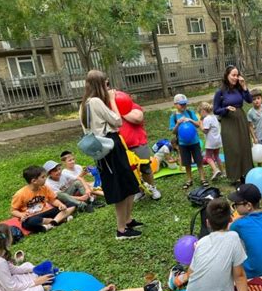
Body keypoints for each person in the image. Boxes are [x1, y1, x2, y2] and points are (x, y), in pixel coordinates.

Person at [168, 199, 262, 291]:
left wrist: (183, 278)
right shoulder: (234, 238)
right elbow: (239, 277)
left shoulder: (201, 243)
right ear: (230, 219)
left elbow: (192, 272)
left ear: (207, 223)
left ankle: (178, 279)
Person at [80, 70, 141, 240]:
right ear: (100, 85)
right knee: (119, 188)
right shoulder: (95, 102)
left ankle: (128, 221)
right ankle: (121, 230)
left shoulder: (84, 103)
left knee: (128, 182)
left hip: (108, 147)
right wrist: (113, 100)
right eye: (106, 84)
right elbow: (117, 121)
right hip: (109, 148)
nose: (109, 88)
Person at [0, 223, 54, 291]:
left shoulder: (1, 256)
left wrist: (35, 269)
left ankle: (36, 282)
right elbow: (12, 289)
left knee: (27, 265)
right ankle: (39, 289)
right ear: (7, 240)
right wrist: (36, 282)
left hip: (3, 285)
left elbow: (14, 269)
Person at [213, 66, 254, 185]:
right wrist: (226, 109)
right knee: (233, 149)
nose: (235, 78)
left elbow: (249, 100)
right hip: (228, 121)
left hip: (240, 118)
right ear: (227, 76)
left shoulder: (239, 88)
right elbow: (216, 110)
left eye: (237, 75)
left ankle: (245, 173)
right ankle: (235, 176)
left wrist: (244, 86)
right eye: (233, 75)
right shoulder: (220, 92)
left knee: (244, 146)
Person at [11, 166, 76, 233]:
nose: (45, 178)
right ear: (34, 181)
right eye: (43, 177)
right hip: (33, 216)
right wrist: (21, 215)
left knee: (71, 204)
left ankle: (52, 223)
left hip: (46, 212)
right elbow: (13, 211)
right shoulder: (20, 194)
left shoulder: (45, 188)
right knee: (29, 222)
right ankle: (60, 219)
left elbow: (52, 200)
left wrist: (60, 205)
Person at [119, 100, 161, 200]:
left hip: (138, 144)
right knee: (130, 171)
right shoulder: (111, 109)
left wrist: (121, 111)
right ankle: (139, 191)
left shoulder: (133, 107)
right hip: (122, 147)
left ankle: (152, 188)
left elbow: (138, 118)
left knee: (145, 168)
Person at [169, 94, 208, 189]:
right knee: (187, 163)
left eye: (185, 104)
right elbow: (173, 131)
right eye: (181, 104)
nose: (183, 106)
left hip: (195, 142)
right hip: (183, 144)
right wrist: (178, 123)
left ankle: (203, 178)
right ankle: (189, 179)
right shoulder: (173, 117)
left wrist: (190, 120)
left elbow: (198, 125)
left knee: (199, 161)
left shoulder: (190, 113)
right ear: (175, 104)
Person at [198, 102, 225, 180]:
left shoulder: (207, 119)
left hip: (211, 141)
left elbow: (205, 131)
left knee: (208, 157)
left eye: (200, 113)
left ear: (203, 111)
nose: (200, 116)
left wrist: (200, 125)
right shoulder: (214, 117)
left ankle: (215, 170)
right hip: (218, 140)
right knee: (216, 156)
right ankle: (223, 172)